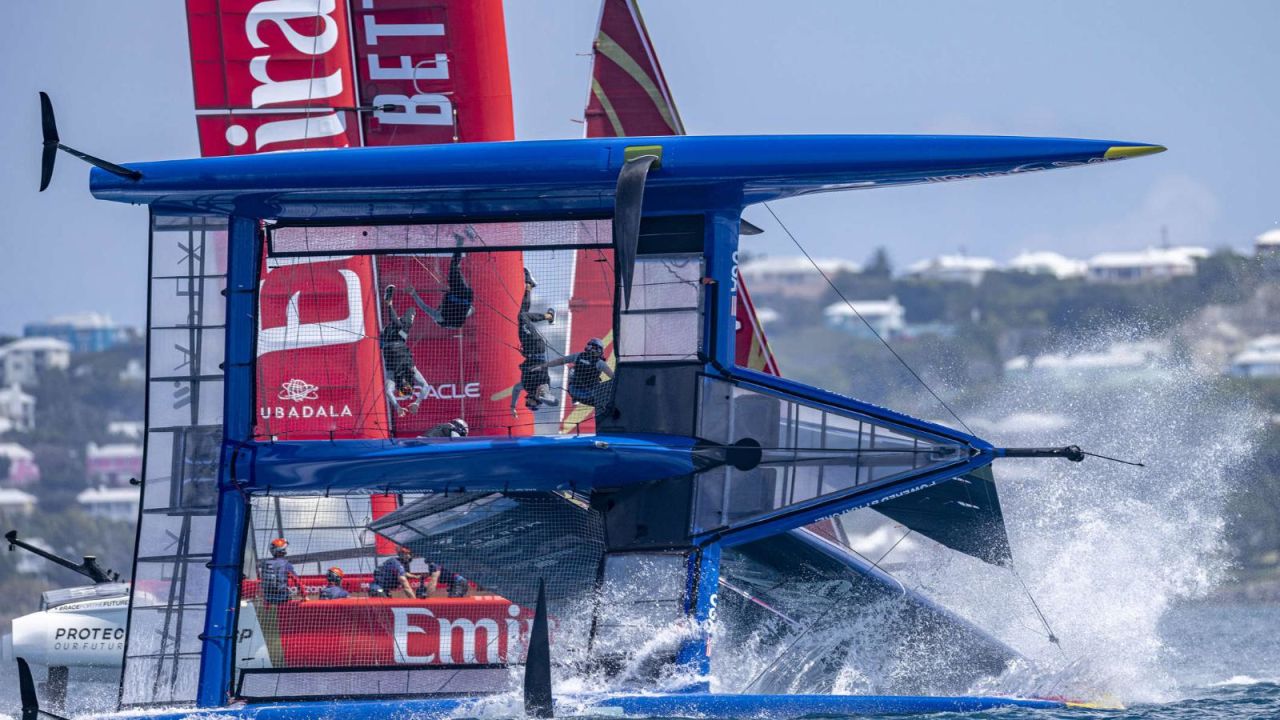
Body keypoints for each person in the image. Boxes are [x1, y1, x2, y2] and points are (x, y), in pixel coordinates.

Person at [408, 231, 475, 330]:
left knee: (455, 269)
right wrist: (413, 294)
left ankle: (460, 243)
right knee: (454, 267)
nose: (438, 307)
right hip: (458, 291)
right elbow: (424, 307)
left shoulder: (456, 320)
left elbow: (472, 309)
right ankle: (461, 241)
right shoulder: (438, 317)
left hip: (464, 293)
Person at [532, 337, 614, 412]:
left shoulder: (578, 356)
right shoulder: (600, 363)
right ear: (599, 351)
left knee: (572, 370)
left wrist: (543, 366)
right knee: (607, 402)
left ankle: (574, 399)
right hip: (590, 395)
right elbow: (613, 377)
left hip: (574, 391)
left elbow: (560, 361)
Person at [381, 285, 426, 417]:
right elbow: (425, 386)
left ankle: (388, 303)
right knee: (411, 312)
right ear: (411, 387)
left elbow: (389, 392)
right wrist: (417, 403)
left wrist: (397, 407)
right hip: (401, 340)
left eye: (403, 390)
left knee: (399, 324)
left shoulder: (392, 378)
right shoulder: (413, 372)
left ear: (400, 389)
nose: (405, 387)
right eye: (408, 389)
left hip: (388, 339)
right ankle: (396, 313)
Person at [259, 537, 301, 604]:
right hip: (282, 598)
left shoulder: (265, 563)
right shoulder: (286, 564)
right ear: (282, 550)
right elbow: (297, 580)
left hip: (268, 598)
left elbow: (262, 582)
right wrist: (303, 594)